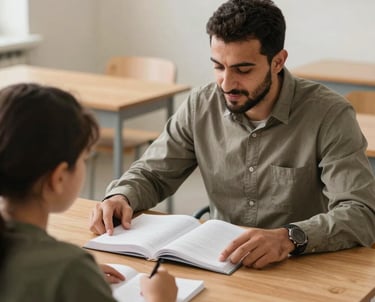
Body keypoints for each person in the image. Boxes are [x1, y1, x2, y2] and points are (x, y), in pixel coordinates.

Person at [89, 0, 375, 269]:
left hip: (301, 263)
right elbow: (153, 174)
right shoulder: (201, 104)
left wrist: (289, 237)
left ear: (278, 62)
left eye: (243, 69)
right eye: (218, 66)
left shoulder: (329, 114)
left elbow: (361, 212)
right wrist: (121, 197)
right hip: (220, 259)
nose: (226, 83)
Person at [0, 83, 177, 302]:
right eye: (84, 158)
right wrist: (161, 298)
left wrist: (82, 280)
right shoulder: (69, 270)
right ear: (59, 178)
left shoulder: (66, 268)